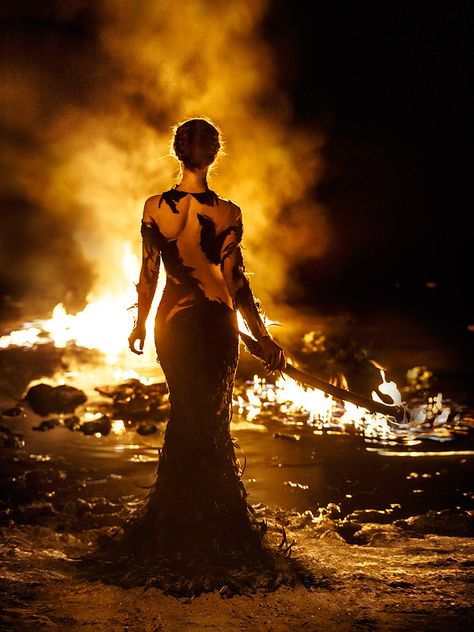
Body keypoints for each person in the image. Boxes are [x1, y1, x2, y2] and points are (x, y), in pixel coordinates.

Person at [83, 118, 302, 597]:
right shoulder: (225, 212)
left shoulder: (154, 208)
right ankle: (209, 535)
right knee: (210, 423)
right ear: (214, 154)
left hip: (171, 324)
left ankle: (174, 533)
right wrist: (261, 337)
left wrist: (140, 322)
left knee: (186, 417)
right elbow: (235, 282)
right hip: (210, 325)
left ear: (178, 152)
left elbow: (148, 274)